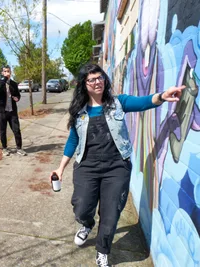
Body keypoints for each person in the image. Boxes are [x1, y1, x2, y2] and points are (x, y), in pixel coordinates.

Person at [49, 63, 184, 267]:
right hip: (87, 166)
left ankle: (103, 251)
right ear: (84, 84)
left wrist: (162, 95)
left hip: (117, 167)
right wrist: (60, 168)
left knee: (111, 213)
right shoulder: (79, 112)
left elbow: (144, 102)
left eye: (100, 77)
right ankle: (86, 224)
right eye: (92, 79)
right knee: (82, 206)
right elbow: (72, 141)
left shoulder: (119, 103)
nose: (97, 82)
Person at [0, 65, 27, 156]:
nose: (7, 73)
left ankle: (19, 148)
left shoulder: (14, 83)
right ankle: (4, 148)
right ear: (2, 73)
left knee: (16, 129)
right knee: (3, 130)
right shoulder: (0, 82)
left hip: (12, 111)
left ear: (11, 72)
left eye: (8, 71)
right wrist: (5, 79)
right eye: (5, 71)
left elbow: (18, 95)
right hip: (2, 111)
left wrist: (17, 98)